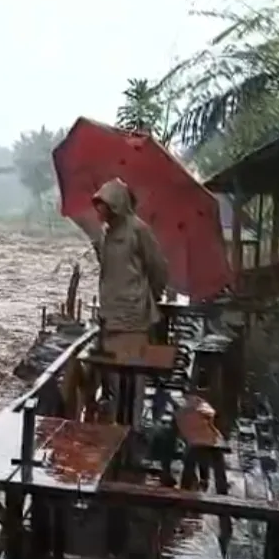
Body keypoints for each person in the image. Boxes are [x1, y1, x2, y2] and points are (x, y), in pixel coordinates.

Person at [90, 178, 169, 424]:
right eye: (97, 204)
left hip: (134, 317)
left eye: (102, 204)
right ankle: (115, 427)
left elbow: (158, 268)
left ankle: (133, 427)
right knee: (113, 378)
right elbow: (109, 271)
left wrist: (148, 296)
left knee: (134, 378)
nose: (98, 210)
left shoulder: (138, 230)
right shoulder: (105, 234)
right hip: (110, 316)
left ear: (116, 204)